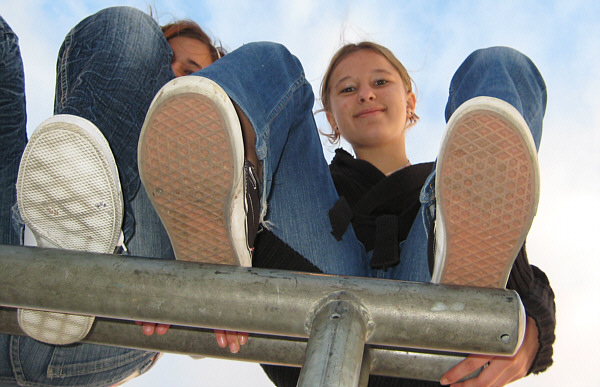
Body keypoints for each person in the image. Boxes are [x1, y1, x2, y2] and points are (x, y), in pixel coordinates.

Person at [134, 40, 555, 386]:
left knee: (498, 64)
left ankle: (463, 301)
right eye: (347, 89)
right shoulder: (308, 188)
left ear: (409, 102)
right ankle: (235, 167)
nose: (366, 93)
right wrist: (176, 264)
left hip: (431, 315)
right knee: (274, 61)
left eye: (380, 81)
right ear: (331, 118)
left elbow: (522, 268)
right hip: (317, 307)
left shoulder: (455, 183)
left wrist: (532, 328)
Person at [0, 7, 227, 386]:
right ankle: (58, 232)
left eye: (191, 72)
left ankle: (79, 254)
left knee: (134, 34)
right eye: (161, 62)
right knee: (123, 28)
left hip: (110, 319)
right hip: (14, 246)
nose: (170, 74)